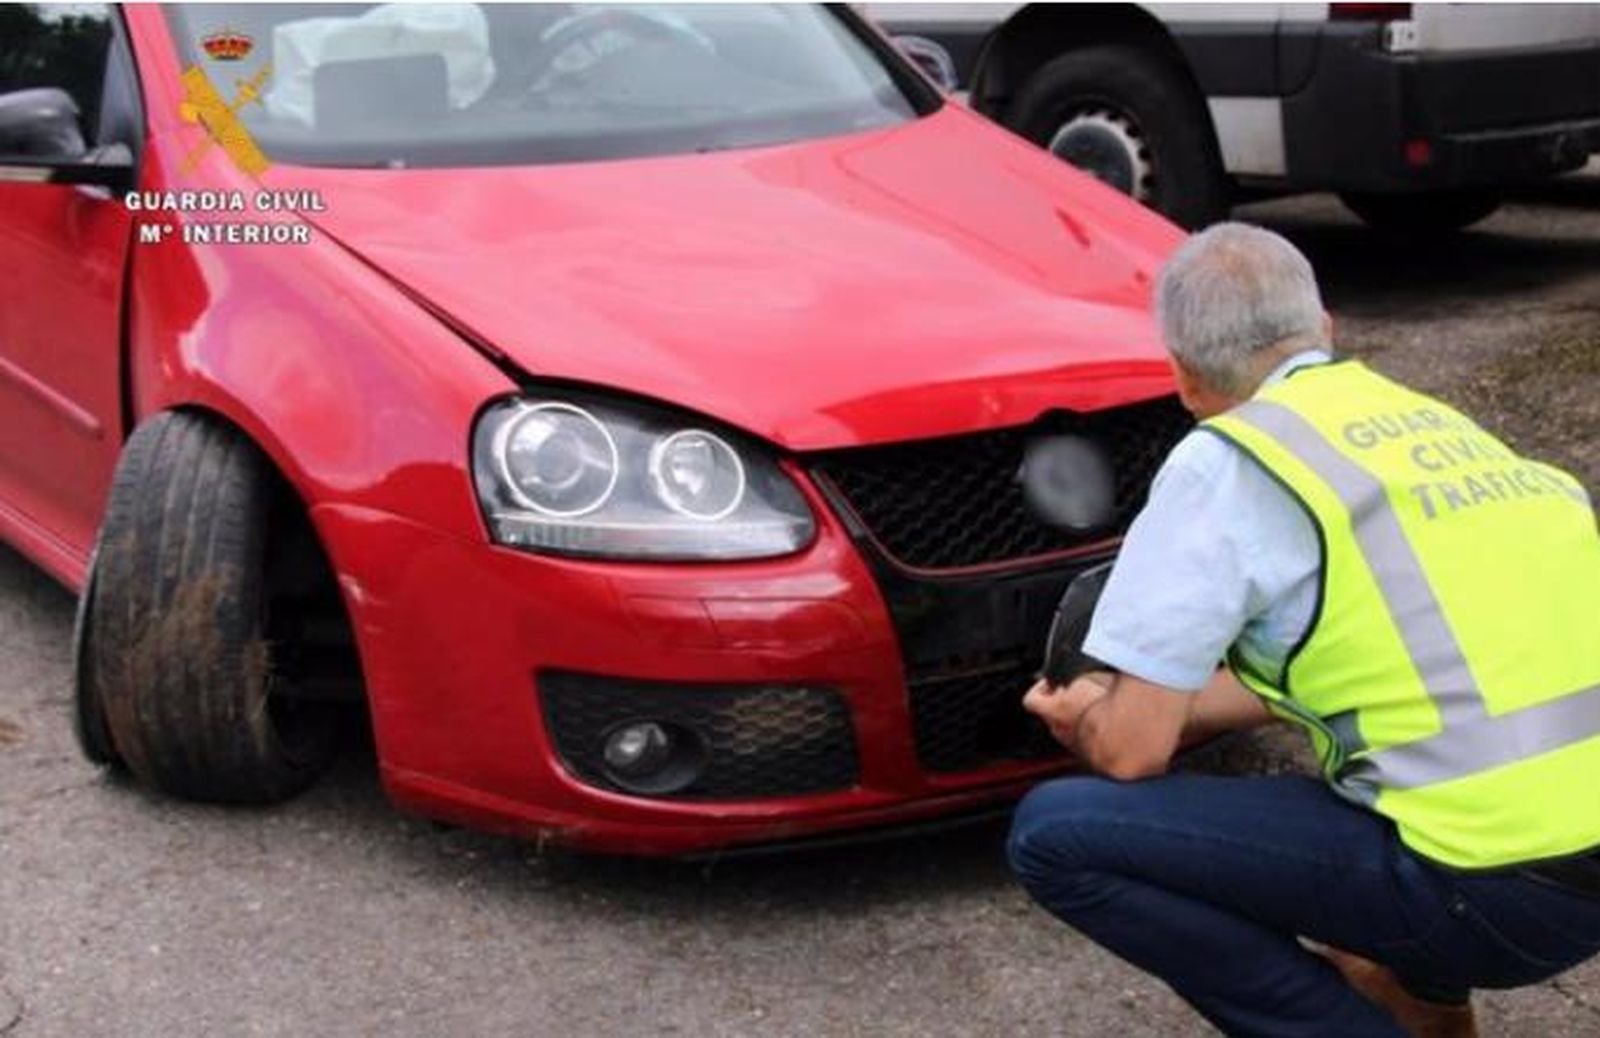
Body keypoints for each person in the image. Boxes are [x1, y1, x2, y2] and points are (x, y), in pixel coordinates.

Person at [1007, 222, 1600, 1038]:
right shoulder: (1437, 431)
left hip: (1489, 889)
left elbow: (1133, 751)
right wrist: (1175, 701)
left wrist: (1088, 716)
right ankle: (1427, 1013)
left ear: (1183, 378)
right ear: (1325, 330)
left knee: (1056, 834)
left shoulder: (1227, 462)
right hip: (1577, 871)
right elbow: (1375, 668)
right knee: (1378, 796)